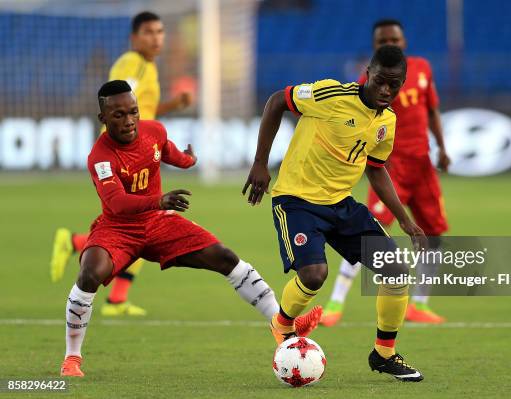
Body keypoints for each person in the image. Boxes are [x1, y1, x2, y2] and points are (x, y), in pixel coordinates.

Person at [60, 81, 321, 377]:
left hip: (159, 223)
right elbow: (117, 202)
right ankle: (72, 358)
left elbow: (169, 153)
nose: (129, 120)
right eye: (118, 115)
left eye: (133, 112)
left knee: (225, 258)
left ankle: (280, 324)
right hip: (118, 228)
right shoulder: (100, 156)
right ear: (103, 119)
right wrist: (158, 200)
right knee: (90, 273)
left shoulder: (153, 131)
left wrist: (189, 159)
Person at [243, 46, 426, 382]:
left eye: (395, 85)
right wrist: (259, 164)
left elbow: (376, 169)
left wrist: (404, 218)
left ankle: (384, 354)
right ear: (367, 73)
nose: (387, 90)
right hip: (296, 200)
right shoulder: (330, 94)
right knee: (314, 275)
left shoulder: (387, 121)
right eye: (381, 81)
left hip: (341, 204)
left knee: (396, 271)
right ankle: (282, 324)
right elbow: (275, 102)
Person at [50, 12, 193, 316]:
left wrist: (173, 105)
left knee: (142, 224)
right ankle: (78, 244)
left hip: (137, 149)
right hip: (122, 155)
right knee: (140, 223)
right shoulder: (132, 63)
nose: (156, 38)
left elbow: (144, 110)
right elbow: (121, 107)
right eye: (149, 32)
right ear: (134, 38)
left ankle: (116, 298)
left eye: (160, 31)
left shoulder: (149, 67)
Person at [322, 19, 450, 326]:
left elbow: (431, 110)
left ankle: (418, 303)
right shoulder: (369, 79)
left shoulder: (422, 69)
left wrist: (443, 148)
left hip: (422, 165)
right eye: (381, 41)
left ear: (404, 41)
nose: (388, 43)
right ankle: (335, 303)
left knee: (433, 234)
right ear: (374, 46)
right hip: (389, 167)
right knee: (370, 233)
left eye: (394, 38)